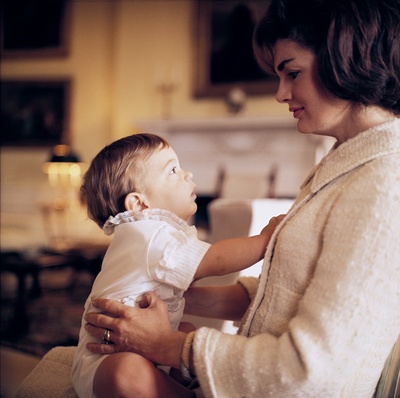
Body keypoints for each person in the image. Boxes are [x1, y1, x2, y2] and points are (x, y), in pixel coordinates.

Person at [83, 0, 400, 396]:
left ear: (346, 59)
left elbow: (311, 373)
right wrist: (162, 295)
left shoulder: (385, 184)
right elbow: (289, 291)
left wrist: (165, 344)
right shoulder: (344, 161)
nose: (281, 93)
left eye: (292, 73)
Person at [71, 133, 284, 398]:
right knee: (126, 371)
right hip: (105, 362)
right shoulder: (148, 235)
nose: (187, 174)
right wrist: (264, 241)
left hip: (146, 346)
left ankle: (176, 387)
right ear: (138, 203)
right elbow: (215, 260)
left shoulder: (148, 235)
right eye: (172, 170)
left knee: (186, 332)